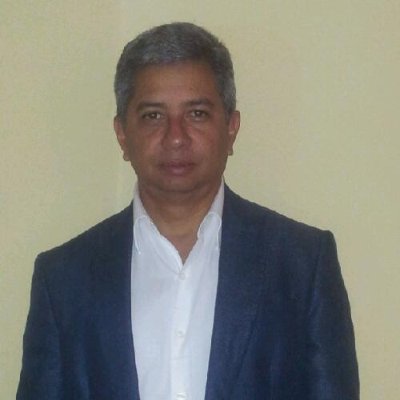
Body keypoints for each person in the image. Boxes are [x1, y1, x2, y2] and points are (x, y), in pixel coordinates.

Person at [17, 22, 359, 400]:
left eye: (196, 113)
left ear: (231, 128)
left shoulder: (302, 265)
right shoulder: (63, 279)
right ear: (122, 134)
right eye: (153, 116)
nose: (176, 137)